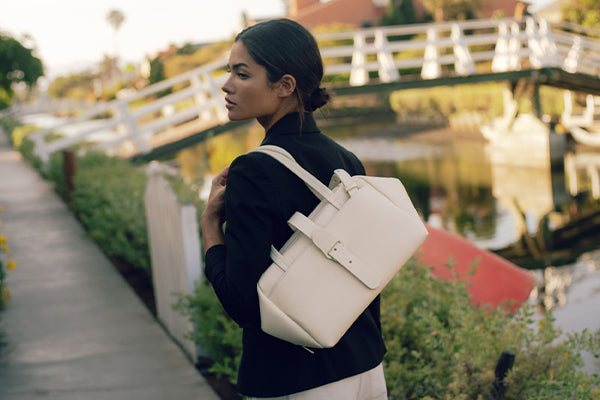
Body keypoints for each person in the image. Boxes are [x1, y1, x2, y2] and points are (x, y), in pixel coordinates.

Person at [201, 18, 388, 399]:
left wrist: (209, 226)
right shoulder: (346, 161)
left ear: (285, 86)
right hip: (367, 368)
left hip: (296, 379)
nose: (227, 85)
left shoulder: (253, 170)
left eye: (242, 74)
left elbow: (243, 304)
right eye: (229, 72)